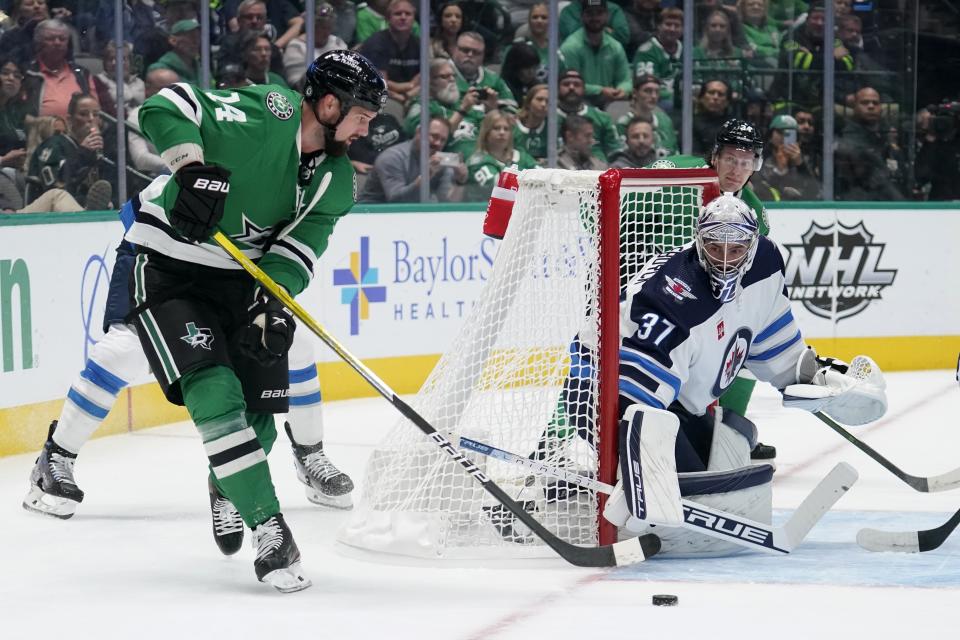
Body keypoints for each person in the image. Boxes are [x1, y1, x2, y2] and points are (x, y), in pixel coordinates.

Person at [25, 50, 387, 593]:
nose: (367, 128)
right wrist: (190, 167)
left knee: (261, 405)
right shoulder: (271, 112)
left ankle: (229, 481)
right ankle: (270, 527)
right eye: (363, 114)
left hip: (238, 282)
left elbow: (298, 248)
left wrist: (272, 299)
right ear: (330, 104)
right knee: (196, 383)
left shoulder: (335, 179)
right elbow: (166, 105)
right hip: (168, 264)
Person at [602, 194, 886, 552]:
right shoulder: (672, 300)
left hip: (671, 399)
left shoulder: (766, 263)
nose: (722, 260)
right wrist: (644, 480)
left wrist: (815, 378)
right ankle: (574, 488)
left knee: (727, 449)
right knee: (691, 491)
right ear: (698, 240)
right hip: (603, 390)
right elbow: (631, 402)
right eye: (713, 246)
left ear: (751, 246)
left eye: (734, 249)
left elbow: (771, 341)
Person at [646, 118, 773, 458]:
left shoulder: (753, 212)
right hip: (650, 298)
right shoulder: (675, 174)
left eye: (746, 162)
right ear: (715, 156)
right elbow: (614, 209)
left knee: (744, 343)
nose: (736, 168)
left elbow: (750, 276)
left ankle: (726, 435)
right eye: (731, 158)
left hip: (702, 308)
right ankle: (563, 441)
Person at [25, 92, 115, 209]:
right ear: (70, 119)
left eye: (96, 114)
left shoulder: (99, 152)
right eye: (84, 114)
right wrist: (82, 153)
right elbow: (56, 187)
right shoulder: (54, 144)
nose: (91, 119)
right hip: (49, 212)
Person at [359, 115, 466, 203]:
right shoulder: (392, 157)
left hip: (412, 217)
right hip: (371, 215)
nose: (438, 143)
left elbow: (447, 202)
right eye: (434, 136)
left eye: (443, 140)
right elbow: (396, 201)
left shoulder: (440, 161)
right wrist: (425, 178)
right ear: (419, 132)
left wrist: (459, 181)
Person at [403, 58, 483, 160]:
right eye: (444, 77)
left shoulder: (462, 103)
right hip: (448, 161)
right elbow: (426, 143)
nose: (452, 79)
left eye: (453, 76)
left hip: (485, 156)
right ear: (429, 81)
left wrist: (492, 108)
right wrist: (462, 111)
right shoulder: (421, 107)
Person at [559, 0, 632, 108]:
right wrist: (600, 90)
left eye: (599, 13)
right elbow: (571, 83)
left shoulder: (615, 47)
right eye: (590, 14)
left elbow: (625, 79)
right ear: (582, 16)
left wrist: (622, 90)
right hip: (579, 100)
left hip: (609, 99)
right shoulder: (570, 47)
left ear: (607, 16)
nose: (595, 18)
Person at [465, 109, 537, 201]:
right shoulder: (477, 161)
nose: (502, 132)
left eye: (506, 129)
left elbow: (544, 179)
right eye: (496, 128)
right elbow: (500, 187)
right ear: (486, 132)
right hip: (480, 212)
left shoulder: (522, 157)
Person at [359, 0, 420, 106]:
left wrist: (408, 95)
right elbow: (381, 83)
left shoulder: (419, 44)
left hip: (412, 96)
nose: (403, 17)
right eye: (398, 14)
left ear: (414, 18)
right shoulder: (376, 43)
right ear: (388, 18)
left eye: (408, 14)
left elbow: (425, 79)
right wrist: (408, 87)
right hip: (379, 97)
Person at [557, 69, 623, 162]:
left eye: (577, 84)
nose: (571, 87)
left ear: (584, 89)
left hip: (597, 171)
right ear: (557, 88)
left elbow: (616, 152)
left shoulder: (602, 117)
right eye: (566, 84)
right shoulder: (548, 117)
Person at [752, 113, 820, 200]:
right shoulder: (759, 161)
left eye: (790, 134)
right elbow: (759, 189)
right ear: (770, 136)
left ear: (797, 138)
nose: (784, 137)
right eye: (780, 132)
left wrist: (801, 165)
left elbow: (816, 194)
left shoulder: (808, 161)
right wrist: (779, 171)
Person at [283, 3, 348, 89]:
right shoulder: (296, 47)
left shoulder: (338, 44)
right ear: (312, 26)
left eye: (329, 27)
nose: (326, 32)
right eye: (322, 27)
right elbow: (297, 85)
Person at [632, 7, 683, 113]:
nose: (672, 29)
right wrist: (677, 96)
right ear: (659, 26)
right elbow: (646, 86)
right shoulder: (647, 51)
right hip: (659, 101)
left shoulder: (688, 51)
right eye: (668, 24)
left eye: (677, 25)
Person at [615, 73, 677, 157]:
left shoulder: (665, 121)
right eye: (648, 91)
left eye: (657, 91)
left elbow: (674, 153)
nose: (653, 96)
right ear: (634, 93)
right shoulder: (623, 123)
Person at [147, 18, 202, 85]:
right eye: (191, 37)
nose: (196, 42)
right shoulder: (159, 69)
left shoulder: (202, 69)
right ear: (173, 40)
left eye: (198, 36)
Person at [691, 78, 731, 154]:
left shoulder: (735, 126)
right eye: (711, 92)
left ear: (727, 102)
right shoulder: (690, 124)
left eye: (721, 94)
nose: (715, 97)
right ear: (701, 98)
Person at [513, 82, 548, 161]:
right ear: (528, 102)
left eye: (548, 101)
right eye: (539, 99)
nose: (543, 104)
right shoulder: (512, 125)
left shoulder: (553, 127)